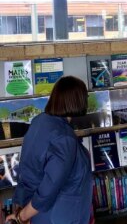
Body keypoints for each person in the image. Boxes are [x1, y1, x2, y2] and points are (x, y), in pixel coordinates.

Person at [6, 76, 93, 224]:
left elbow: (28, 169)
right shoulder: (65, 139)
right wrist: (22, 217)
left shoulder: (39, 122)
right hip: (61, 216)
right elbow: (49, 189)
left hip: (38, 213)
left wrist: (20, 207)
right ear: (76, 100)